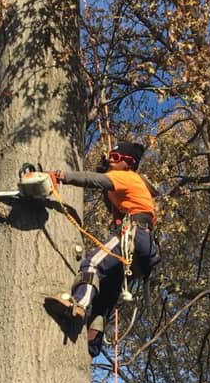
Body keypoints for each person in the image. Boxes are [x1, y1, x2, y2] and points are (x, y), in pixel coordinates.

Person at [47, 140, 160, 357]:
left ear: (128, 163)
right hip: (143, 246)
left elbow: (94, 180)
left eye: (115, 158)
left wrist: (62, 176)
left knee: (92, 263)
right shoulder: (133, 185)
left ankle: (78, 304)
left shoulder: (126, 177)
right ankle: (93, 341)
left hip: (132, 233)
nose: (110, 160)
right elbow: (112, 203)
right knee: (107, 292)